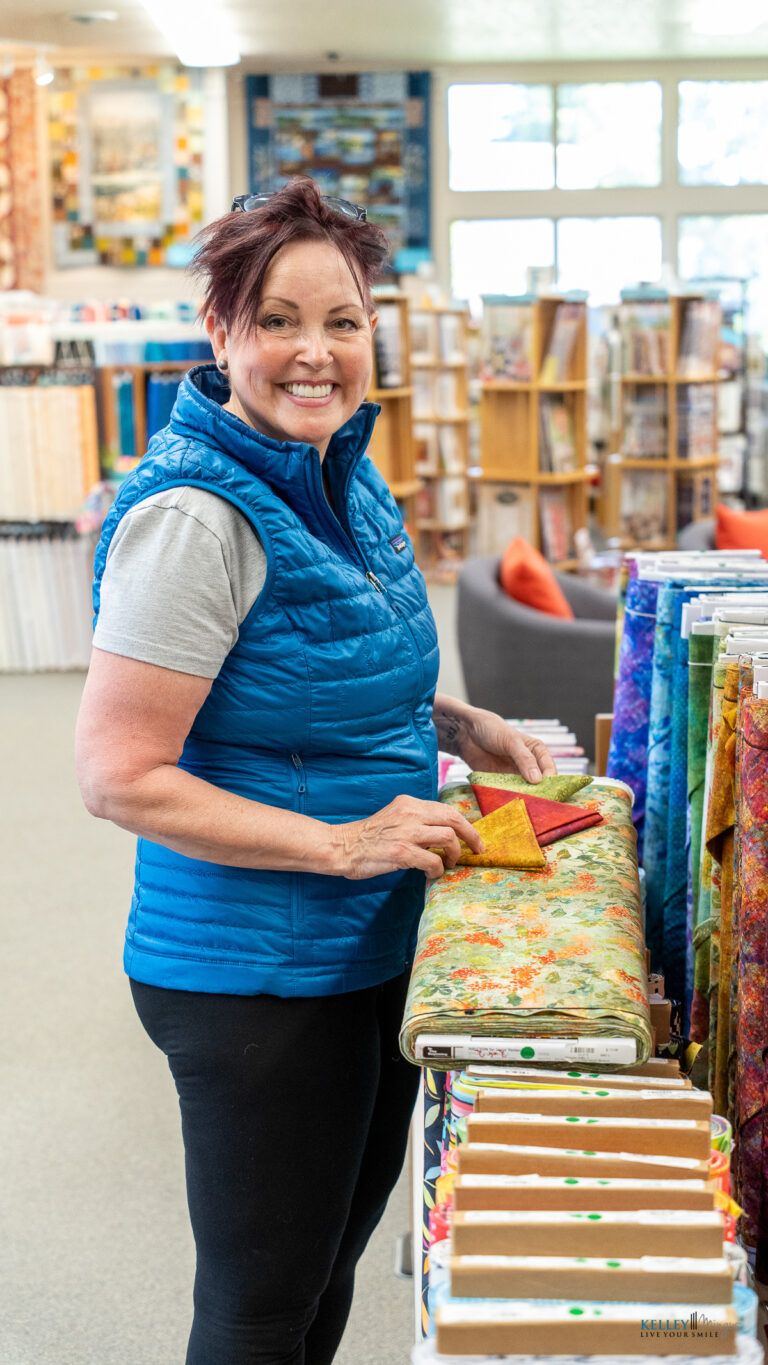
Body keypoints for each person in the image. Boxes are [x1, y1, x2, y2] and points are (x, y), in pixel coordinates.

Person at [75, 177, 556, 1365]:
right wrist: (343, 844)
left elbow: (304, 674)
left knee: (328, 1259)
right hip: (256, 973)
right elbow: (120, 772)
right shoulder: (196, 519)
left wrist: (457, 722)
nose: (315, 352)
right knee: (257, 1307)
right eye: (278, 319)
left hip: (358, 943)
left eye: (343, 321)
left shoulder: (341, 471)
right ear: (222, 329)